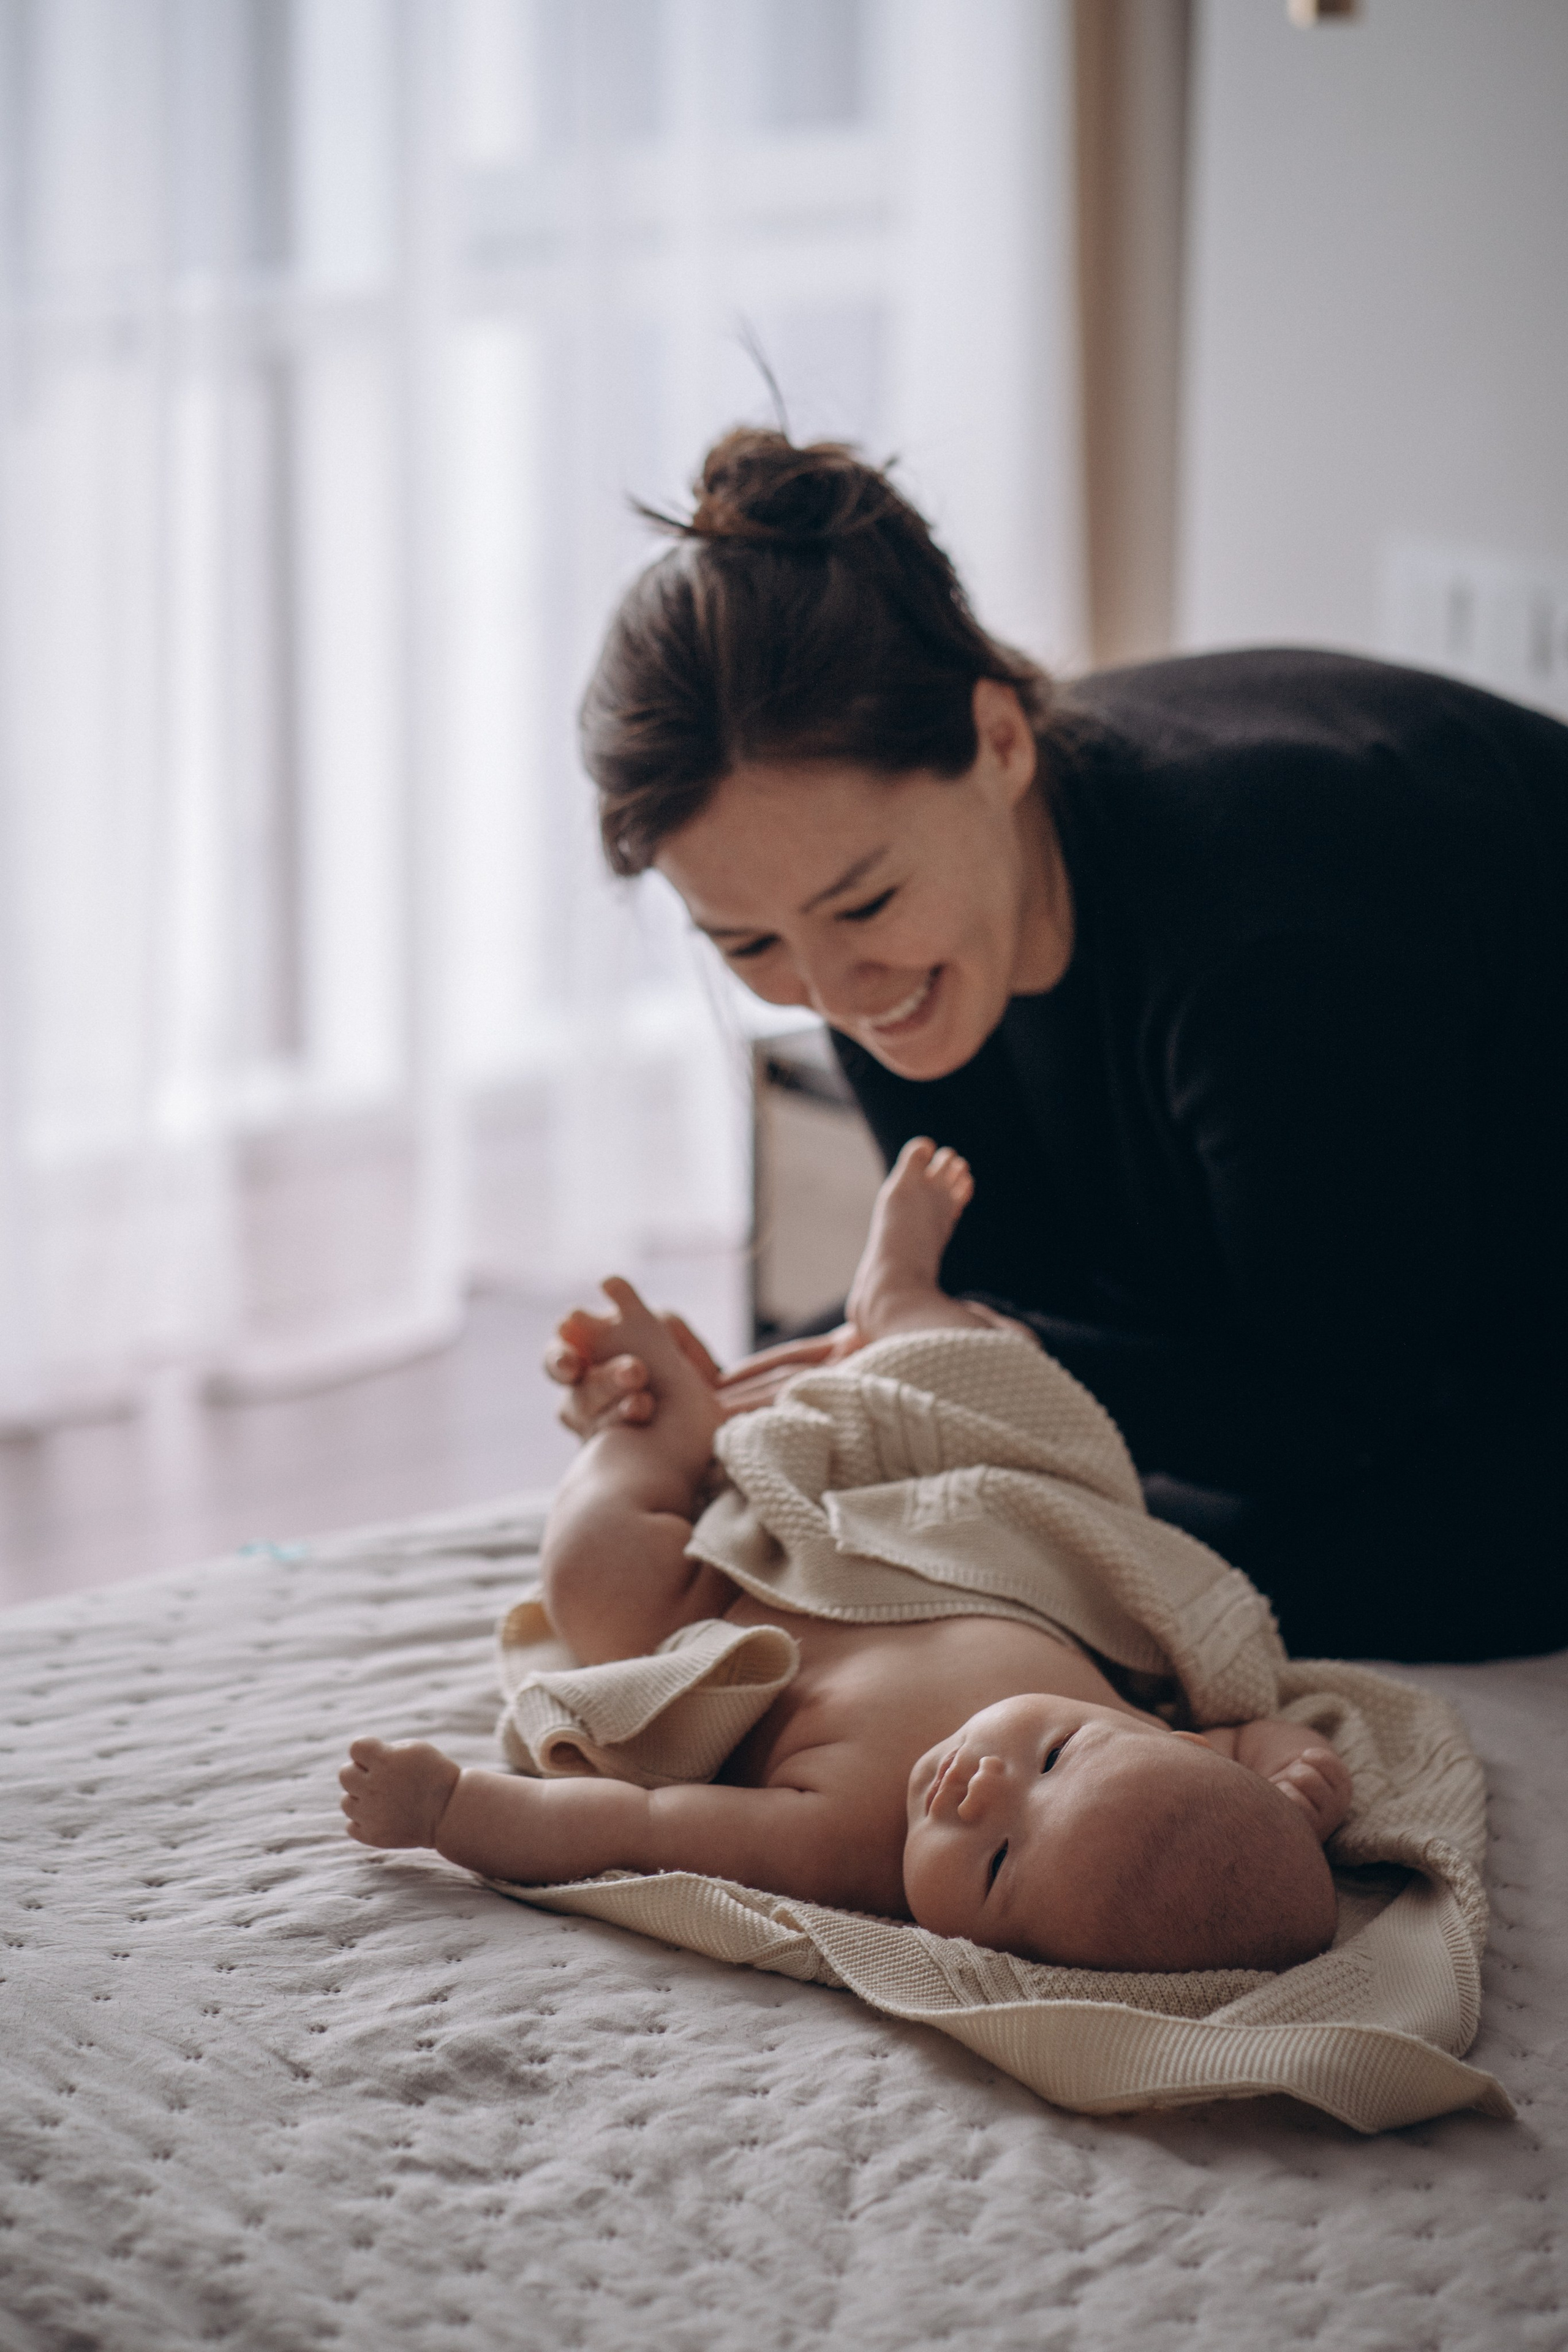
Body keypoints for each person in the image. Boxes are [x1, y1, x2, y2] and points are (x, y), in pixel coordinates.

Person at [548, 427, 1568, 1665]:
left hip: (1473, 1347)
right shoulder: (900, 934)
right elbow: (1013, 1282)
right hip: (1365, 1315)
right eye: (745, 944)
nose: (830, 992)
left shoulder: (1269, 936)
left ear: (999, 740)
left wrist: (964, 1356)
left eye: (862, 907)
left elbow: (1334, 1403)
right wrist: (723, 1409)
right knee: (861, 1505)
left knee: (1101, 1584)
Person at [343, 1140, 1352, 1973]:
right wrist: (1298, 1781)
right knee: (982, 1385)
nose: (983, 1790)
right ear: (1161, 1741)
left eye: (997, 1865)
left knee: (595, 1585)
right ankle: (899, 1295)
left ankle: (655, 1429)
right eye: (1055, 1757)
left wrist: (452, 1808)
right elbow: (1255, 1741)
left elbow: (633, 1825)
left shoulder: (836, 1846)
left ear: (994, 1951)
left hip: (728, 1602)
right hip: (924, 1528)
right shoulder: (1157, 1750)